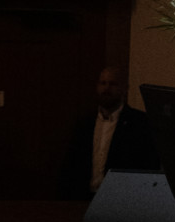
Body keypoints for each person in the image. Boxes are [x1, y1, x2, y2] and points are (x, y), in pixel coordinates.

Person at [58, 66, 158, 200]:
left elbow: (147, 164)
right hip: (82, 198)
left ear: (125, 88)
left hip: (120, 199)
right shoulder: (85, 124)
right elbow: (72, 163)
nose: (106, 88)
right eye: (103, 83)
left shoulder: (139, 123)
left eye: (113, 84)